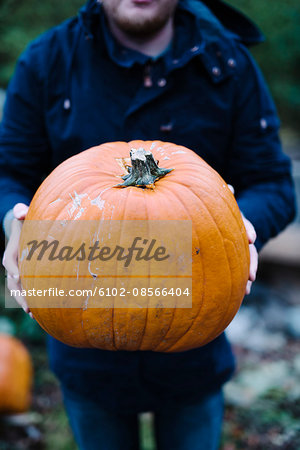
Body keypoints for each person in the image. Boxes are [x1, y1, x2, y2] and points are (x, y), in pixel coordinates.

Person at [1, 0, 296, 449]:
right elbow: (10, 172)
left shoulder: (229, 61)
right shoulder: (48, 60)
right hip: (83, 341)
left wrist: (236, 227)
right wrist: (12, 221)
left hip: (194, 343)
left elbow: (273, 182)